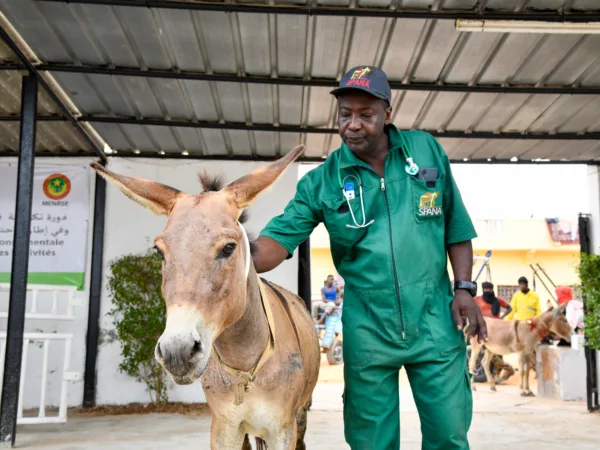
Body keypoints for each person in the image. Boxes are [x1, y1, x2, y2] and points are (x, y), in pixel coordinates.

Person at [251, 65, 487, 450]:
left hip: (434, 319)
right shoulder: (322, 182)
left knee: (449, 434)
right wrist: (226, 251)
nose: (353, 125)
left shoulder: (425, 151)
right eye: (345, 115)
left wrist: (464, 288)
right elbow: (275, 242)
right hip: (368, 326)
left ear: (387, 114)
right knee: (371, 442)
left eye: (366, 114)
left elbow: (455, 227)